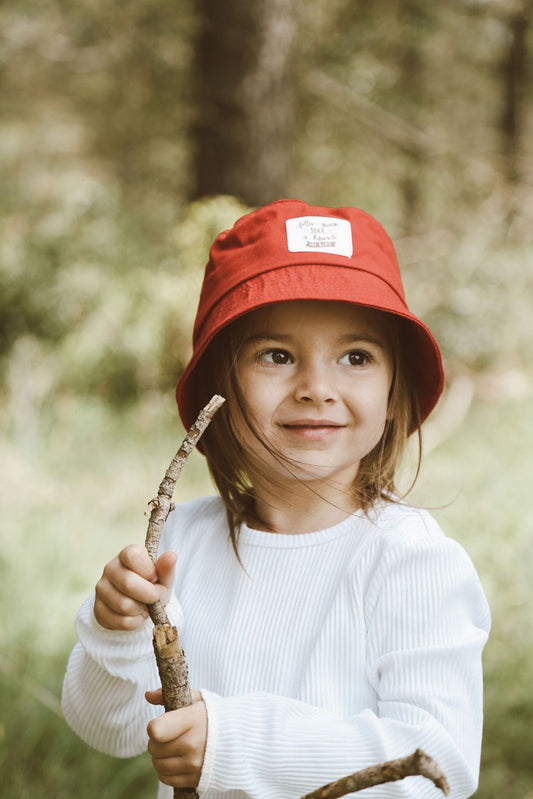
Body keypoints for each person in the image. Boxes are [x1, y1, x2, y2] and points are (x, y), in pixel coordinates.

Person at [62, 199, 491, 799]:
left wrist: (236, 742)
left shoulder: (412, 560)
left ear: (395, 392)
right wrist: (116, 633)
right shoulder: (182, 542)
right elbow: (111, 732)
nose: (316, 387)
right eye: (277, 355)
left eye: (356, 357)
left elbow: (438, 763)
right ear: (220, 387)